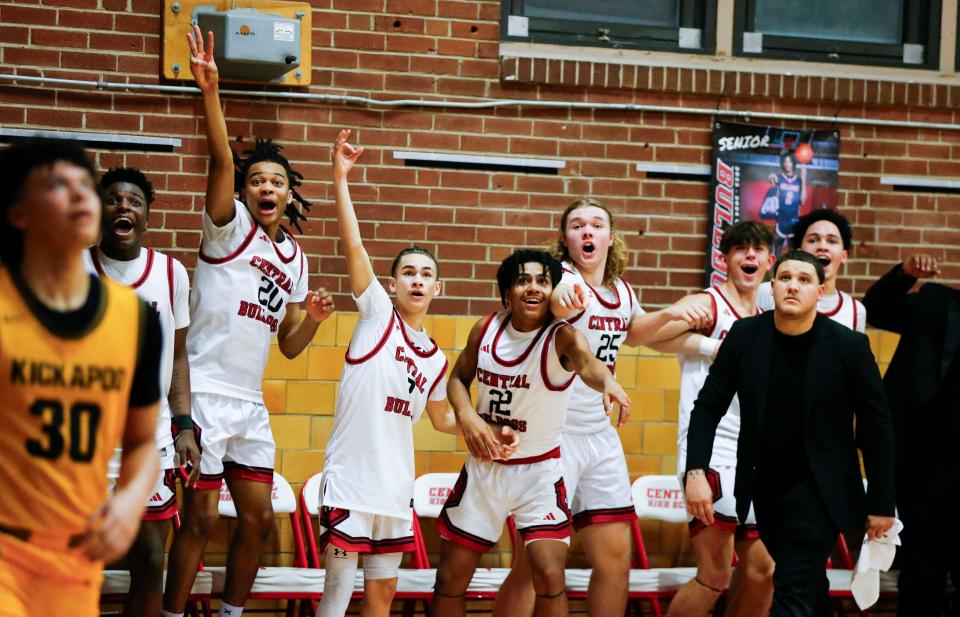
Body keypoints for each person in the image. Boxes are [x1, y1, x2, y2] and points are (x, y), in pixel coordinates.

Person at [162, 27, 335, 617]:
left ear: (290, 196)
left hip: (249, 403)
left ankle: (233, 612)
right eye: (257, 179)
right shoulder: (227, 225)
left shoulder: (297, 258)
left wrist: (310, 320)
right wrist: (210, 93)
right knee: (202, 517)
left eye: (277, 181)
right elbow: (218, 157)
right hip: (204, 392)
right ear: (245, 190)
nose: (267, 186)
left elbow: (287, 347)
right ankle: (171, 610)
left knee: (258, 519)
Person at [316, 130, 517, 617]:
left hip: (393, 484)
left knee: (382, 595)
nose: (417, 280)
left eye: (426, 274)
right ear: (392, 284)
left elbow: (445, 420)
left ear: (438, 287)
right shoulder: (377, 316)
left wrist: (488, 431)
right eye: (408, 272)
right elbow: (355, 248)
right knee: (339, 589)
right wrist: (340, 180)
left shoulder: (433, 356)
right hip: (350, 481)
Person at [492, 198, 711, 617]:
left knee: (615, 562)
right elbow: (557, 304)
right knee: (533, 565)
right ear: (566, 239)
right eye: (577, 226)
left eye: (596, 225)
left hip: (599, 435)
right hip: (553, 436)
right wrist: (559, 299)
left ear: (611, 238)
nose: (587, 231)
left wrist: (672, 312)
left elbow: (635, 332)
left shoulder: (621, 291)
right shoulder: (561, 279)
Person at [0, 138, 162, 616]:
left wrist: (131, 500)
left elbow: (141, 444)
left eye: (84, 184)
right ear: (19, 214)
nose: (80, 195)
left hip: (74, 558)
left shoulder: (134, 320)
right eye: (57, 184)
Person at [685, 250, 896, 617]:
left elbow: (877, 427)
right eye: (785, 278)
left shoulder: (849, 347)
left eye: (804, 280)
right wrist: (695, 471)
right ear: (772, 286)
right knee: (807, 585)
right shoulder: (745, 335)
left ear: (820, 291)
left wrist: (881, 502)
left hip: (822, 490)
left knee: (791, 589)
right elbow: (707, 407)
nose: (793, 286)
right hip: (764, 487)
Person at [433, 249, 631, 617]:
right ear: (507, 293)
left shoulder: (563, 337)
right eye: (524, 280)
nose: (533, 287)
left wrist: (607, 382)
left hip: (539, 472)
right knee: (449, 579)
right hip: (484, 471)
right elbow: (458, 379)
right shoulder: (486, 328)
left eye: (543, 281)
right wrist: (468, 417)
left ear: (553, 292)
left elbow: (588, 363)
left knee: (550, 575)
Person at [650, 221, 777, 617]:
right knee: (714, 576)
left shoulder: (766, 313)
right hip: (708, 449)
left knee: (762, 569)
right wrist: (710, 346)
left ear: (770, 261)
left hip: (750, 453)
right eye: (741, 249)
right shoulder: (708, 304)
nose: (749, 256)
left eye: (757, 249)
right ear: (725, 259)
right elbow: (648, 337)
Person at [90, 167, 201, 617]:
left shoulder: (170, 274)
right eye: (114, 200)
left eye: (134, 202)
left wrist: (185, 425)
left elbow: (177, 358)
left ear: (147, 218)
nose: (124, 207)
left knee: (150, 560)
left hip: (148, 441)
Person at [863, 254, 957, 616]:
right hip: (927, 468)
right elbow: (878, 308)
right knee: (922, 576)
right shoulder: (937, 304)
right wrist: (903, 274)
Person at [757, 208, 866, 332]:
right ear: (799, 251)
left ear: (844, 255)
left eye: (832, 241)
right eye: (813, 240)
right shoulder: (767, 292)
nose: (822, 247)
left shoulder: (855, 311)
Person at [759, 150, 807, 255]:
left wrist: (804, 179)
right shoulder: (780, 178)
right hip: (781, 220)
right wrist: (771, 176)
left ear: (793, 163)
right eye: (785, 162)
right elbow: (772, 178)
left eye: (789, 161)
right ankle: (776, 270)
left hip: (794, 220)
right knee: (777, 251)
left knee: (793, 252)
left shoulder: (799, 180)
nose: (787, 164)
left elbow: (803, 201)